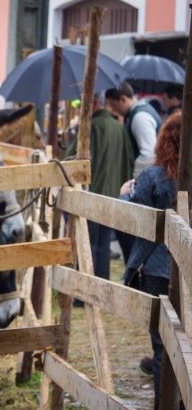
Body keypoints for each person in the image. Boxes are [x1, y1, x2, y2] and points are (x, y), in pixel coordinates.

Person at [122, 114, 183, 410]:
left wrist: (124, 195)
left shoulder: (153, 177)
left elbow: (134, 224)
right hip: (185, 272)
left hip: (158, 271)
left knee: (162, 347)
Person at [66, 94, 134, 280]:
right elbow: (128, 161)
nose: (79, 108)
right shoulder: (118, 128)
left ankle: (84, 291)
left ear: (93, 103)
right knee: (102, 245)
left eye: (81, 104)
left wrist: (68, 141)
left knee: (87, 244)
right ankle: (102, 284)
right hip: (113, 196)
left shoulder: (91, 127)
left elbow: (70, 160)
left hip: (92, 195)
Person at [105, 83, 161, 178]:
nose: (113, 110)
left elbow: (148, 154)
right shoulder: (135, 114)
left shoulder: (140, 117)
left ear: (123, 99)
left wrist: (135, 181)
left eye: (114, 105)